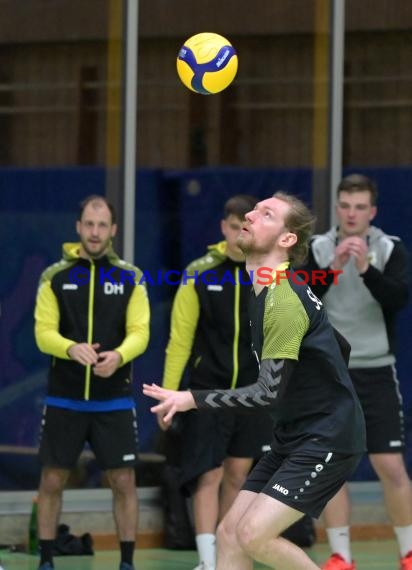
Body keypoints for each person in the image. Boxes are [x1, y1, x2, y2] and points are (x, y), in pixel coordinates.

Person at [143, 192, 366, 570]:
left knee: (253, 535)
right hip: (293, 435)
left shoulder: (281, 300)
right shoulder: (264, 287)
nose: (249, 214)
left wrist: (190, 399)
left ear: (286, 239)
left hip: (326, 438)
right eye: (254, 210)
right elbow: (337, 346)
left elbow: (266, 392)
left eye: (265, 214)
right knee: (230, 535)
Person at [301, 173, 412, 570]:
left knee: (390, 465)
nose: (352, 214)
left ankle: (408, 551)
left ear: (372, 211)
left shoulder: (389, 248)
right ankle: (340, 556)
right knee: (333, 465)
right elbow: (303, 297)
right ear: (337, 208)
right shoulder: (317, 247)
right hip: (332, 373)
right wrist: (333, 267)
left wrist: (365, 268)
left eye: (360, 207)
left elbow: (398, 298)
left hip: (377, 370)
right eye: (345, 206)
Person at [34, 195, 150, 570]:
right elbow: (43, 332)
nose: (95, 232)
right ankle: (47, 559)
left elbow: (140, 332)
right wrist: (70, 349)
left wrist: (119, 356)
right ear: (78, 227)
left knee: (123, 482)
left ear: (113, 230)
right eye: (89, 224)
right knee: (52, 480)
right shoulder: (55, 276)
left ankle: (128, 563)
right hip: (64, 398)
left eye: (102, 225)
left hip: (113, 400)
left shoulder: (130, 277)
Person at [160, 194, 272, 570]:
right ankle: (207, 561)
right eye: (233, 225)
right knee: (209, 473)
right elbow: (180, 340)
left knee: (239, 473)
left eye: (248, 225)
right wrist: (169, 395)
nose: (240, 232)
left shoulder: (268, 273)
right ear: (223, 228)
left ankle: (226, 557)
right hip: (207, 390)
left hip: (251, 393)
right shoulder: (200, 273)